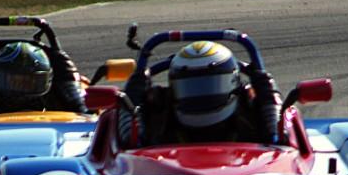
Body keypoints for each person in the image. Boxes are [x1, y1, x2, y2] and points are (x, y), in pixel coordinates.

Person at [119, 41, 282, 148]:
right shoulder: (157, 115)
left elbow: (282, 140)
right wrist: (134, 94)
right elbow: (125, 146)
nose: (201, 96)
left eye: (210, 86)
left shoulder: (256, 115)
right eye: (190, 87)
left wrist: (267, 94)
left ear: (233, 85)